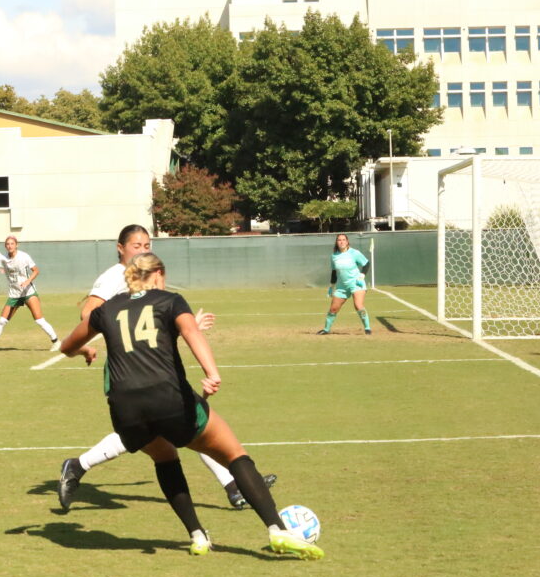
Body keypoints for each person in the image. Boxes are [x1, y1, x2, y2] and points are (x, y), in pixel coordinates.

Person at [60, 252, 324, 560]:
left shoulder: (107, 309)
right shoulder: (170, 300)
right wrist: (211, 372)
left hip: (125, 408)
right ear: (158, 273)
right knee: (233, 453)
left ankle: (197, 536)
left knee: (164, 458)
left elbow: (67, 346)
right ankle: (278, 530)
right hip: (167, 398)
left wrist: (85, 351)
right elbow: (190, 332)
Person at [57, 224, 276, 511]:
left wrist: (187, 327)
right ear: (120, 248)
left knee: (189, 422)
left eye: (147, 244)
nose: (144, 249)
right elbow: (90, 313)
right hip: (129, 366)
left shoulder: (147, 276)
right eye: (137, 245)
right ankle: (77, 465)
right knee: (172, 424)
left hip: (155, 361)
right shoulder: (113, 278)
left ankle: (234, 485)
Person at [0, 236, 59, 354]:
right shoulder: (2, 259)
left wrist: (27, 281)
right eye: (7, 244)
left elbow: (36, 270)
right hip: (14, 295)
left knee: (39, 320)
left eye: (12, 243)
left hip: (28, 292)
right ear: (5, 246)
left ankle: (56, 342)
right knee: (1, 321)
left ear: (16, 245)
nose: (10, 246)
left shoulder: (24, 256)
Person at [319, 233, 372, 335]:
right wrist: (331, 286)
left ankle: (367, 328)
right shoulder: (334, 256)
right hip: (341, 286)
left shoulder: (354, 253)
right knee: (333, 309)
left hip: (356, 284)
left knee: (358, 305)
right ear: (336, 242)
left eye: (344, 239)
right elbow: (334, 272)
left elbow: (366, 264)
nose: (341, 241)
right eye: (339, 240)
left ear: (347, 242)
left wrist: (362, 276)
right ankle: (326, 329)